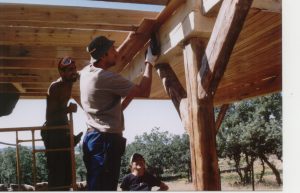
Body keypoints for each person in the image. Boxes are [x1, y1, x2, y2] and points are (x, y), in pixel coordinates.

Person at [80, 35, 157, 191]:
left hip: (94, 139)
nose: (117, 52)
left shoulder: (87, 71)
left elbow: (112, 58)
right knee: (104, 188)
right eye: (112, 50)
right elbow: (144, 91)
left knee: (97, 186)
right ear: (103, 56)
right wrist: (150, 61)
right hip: (105, 142)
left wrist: (130, 39)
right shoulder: (105, 78)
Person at [41, 56, 83, 190]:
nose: (74, 71)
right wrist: (68, 109)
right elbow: (50, 115)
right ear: (61, 72)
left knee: (67, 175)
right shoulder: (56, 87)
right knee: (58, 174)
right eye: (70, 69)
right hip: (53, 133)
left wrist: (69, 136)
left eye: (74, 68)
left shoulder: (69, 82)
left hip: (62, 132)